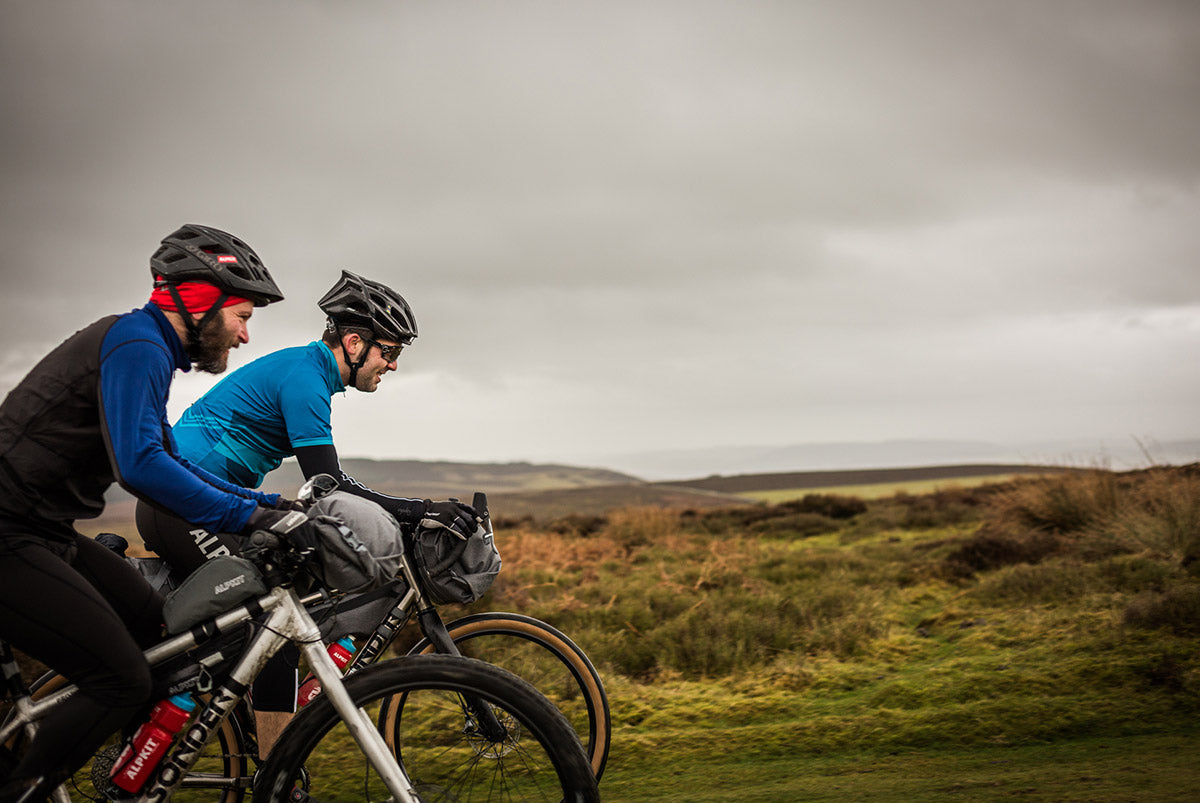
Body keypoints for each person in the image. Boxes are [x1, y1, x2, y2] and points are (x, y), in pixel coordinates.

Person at [0, 224, 317, 802]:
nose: (246, 335)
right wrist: (247, 521)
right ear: (202, 304)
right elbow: (141, 466)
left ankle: (129, 786)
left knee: (164, 633)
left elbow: (170, 456)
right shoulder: (137, 344)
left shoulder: (145, 349)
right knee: (121, 680)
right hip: (8, 535)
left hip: (44, 533)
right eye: (243, 316)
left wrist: (270, 505)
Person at [135, 269, 477, 758]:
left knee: (271, 617)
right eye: (391, 351)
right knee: (272, 629)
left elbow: (322, 488)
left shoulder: (308, 372)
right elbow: (331, 484)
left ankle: (256, 743)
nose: (394, 365)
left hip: (194, 504)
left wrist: (409, 511)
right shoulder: (305, 378)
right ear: (355, 343)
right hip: (183, 507)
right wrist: (421, 510)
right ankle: (277, 770)